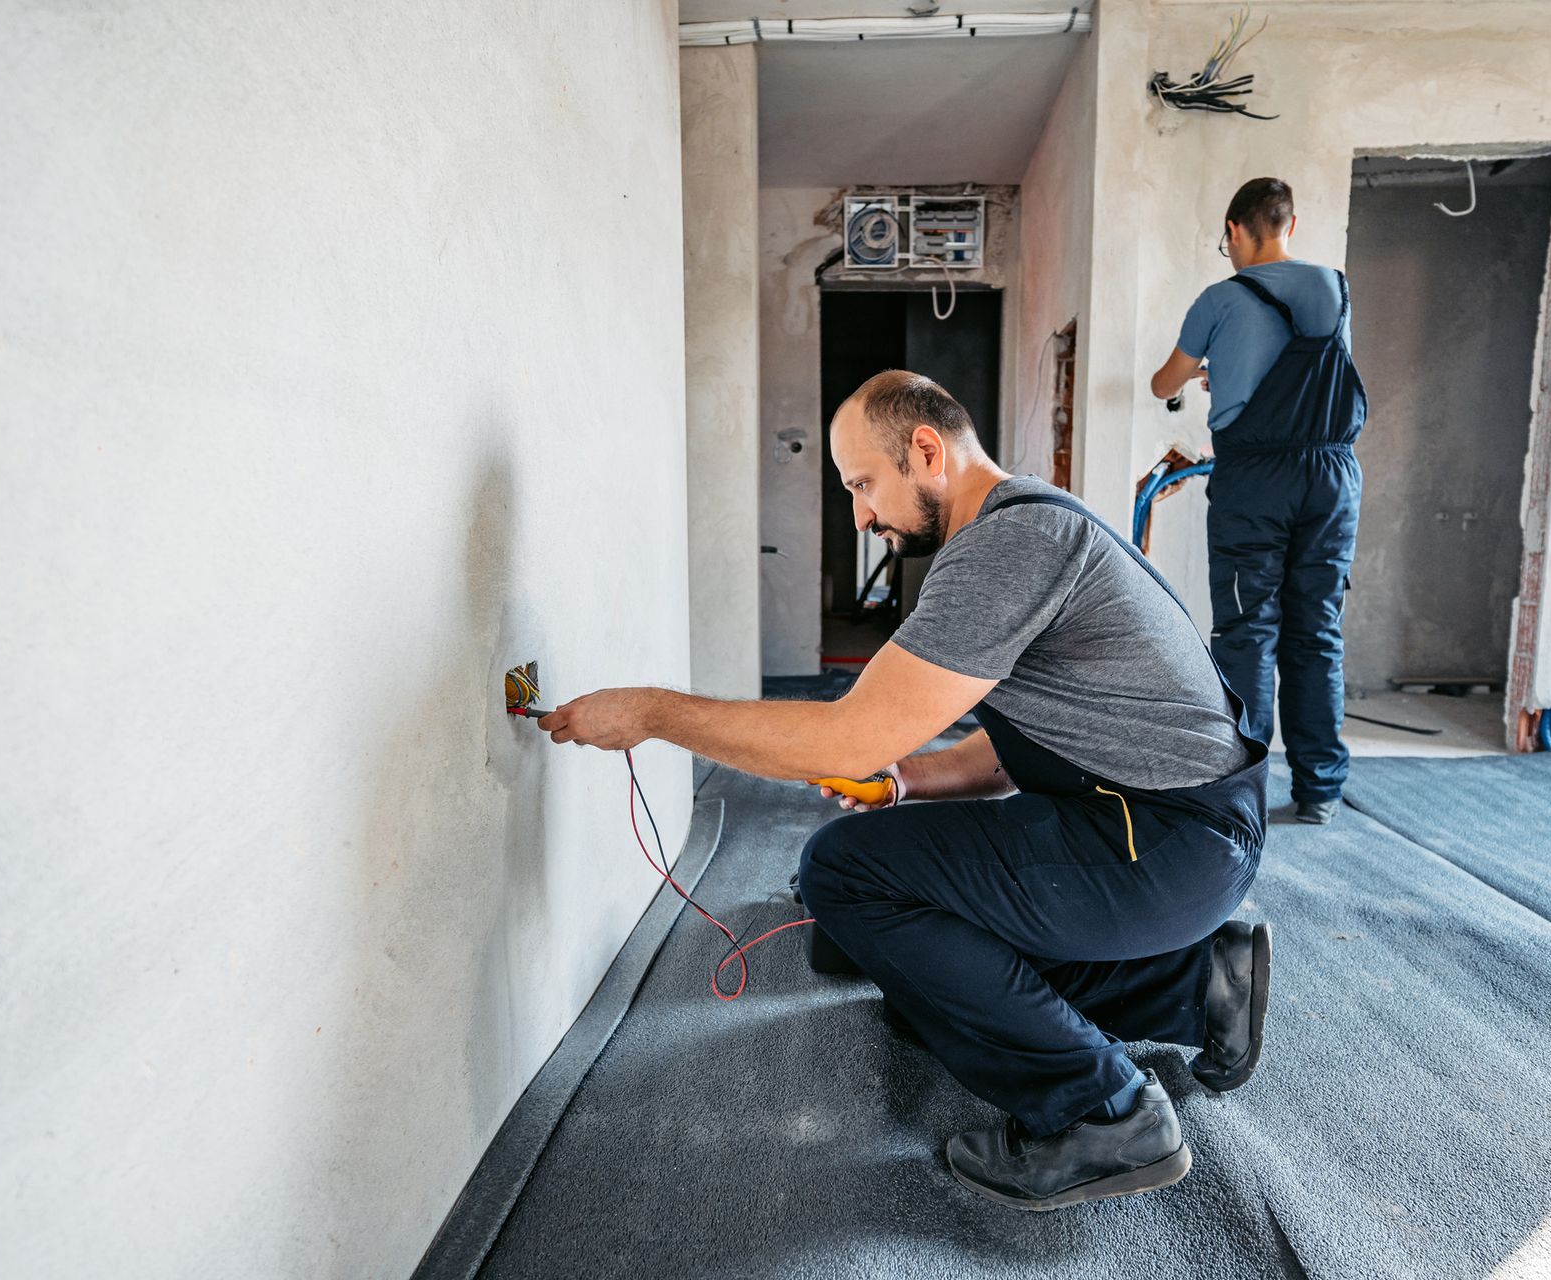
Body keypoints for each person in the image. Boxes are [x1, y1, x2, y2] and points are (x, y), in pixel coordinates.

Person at [538, 370, 1272, 1211]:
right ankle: (1193, 984)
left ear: (926, 451)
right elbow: (1016, 743)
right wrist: (903, 781)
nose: (858, 514)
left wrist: (657, 712)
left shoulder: (1007, 547)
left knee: (846, 875)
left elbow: (847, 733)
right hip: (1167, 832)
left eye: (862, 483)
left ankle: (1102, 1112)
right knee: (879, 956)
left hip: (1161, 846)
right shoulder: (1025, 521)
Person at [1150, 177, 1366, 824]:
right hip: (1332, 475)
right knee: (1317, 631)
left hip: (1255, 480)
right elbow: (1306, 369)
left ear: (1236, 230)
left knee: (1247, 631)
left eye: (1229, 241)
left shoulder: (1221, 297)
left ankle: (1239, 790)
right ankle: (1319, 790)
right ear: (1290, 225)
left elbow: (1164, 380)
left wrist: (1204, 370)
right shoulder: (1335, 287)